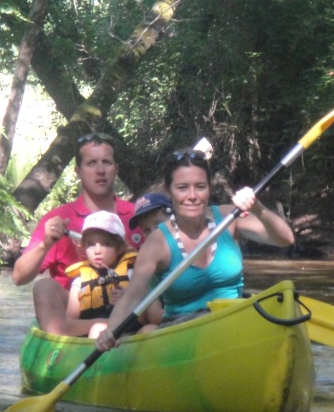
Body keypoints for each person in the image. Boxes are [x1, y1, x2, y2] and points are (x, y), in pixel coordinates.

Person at [96, 148, 294, 351]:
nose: (192, 196)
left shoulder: (229, 218)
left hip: (232, 320)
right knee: (148, 332)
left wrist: (257, 208)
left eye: (200, 186)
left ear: (209, 188)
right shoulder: (156, 243)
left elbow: (285, 239)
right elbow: (133, 295)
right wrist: (111, 330)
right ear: (169, 190)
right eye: (182, 187)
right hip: (182, 330)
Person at [12, 132, 142, 333]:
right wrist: (45, 244)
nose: (100, 171)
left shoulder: (137, 216)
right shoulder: (58, 217)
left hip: (127, 305)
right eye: (91, 163)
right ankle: (61, 350)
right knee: (44, 287)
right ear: (78, 171)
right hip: (75, 316)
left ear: (116, 170)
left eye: (106, 162)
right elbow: (18, 277)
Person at [65, 211, 136, 339]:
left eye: (106, 244)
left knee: (150, 328)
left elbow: (146, 315)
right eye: (90, 244)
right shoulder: (79, 284)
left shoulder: (132, 275)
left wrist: (126, 301)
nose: (97, 251)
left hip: (129, 335)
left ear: (119, 247)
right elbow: (68, 326)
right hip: (95, 338)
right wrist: (103, 324)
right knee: (99, 329)